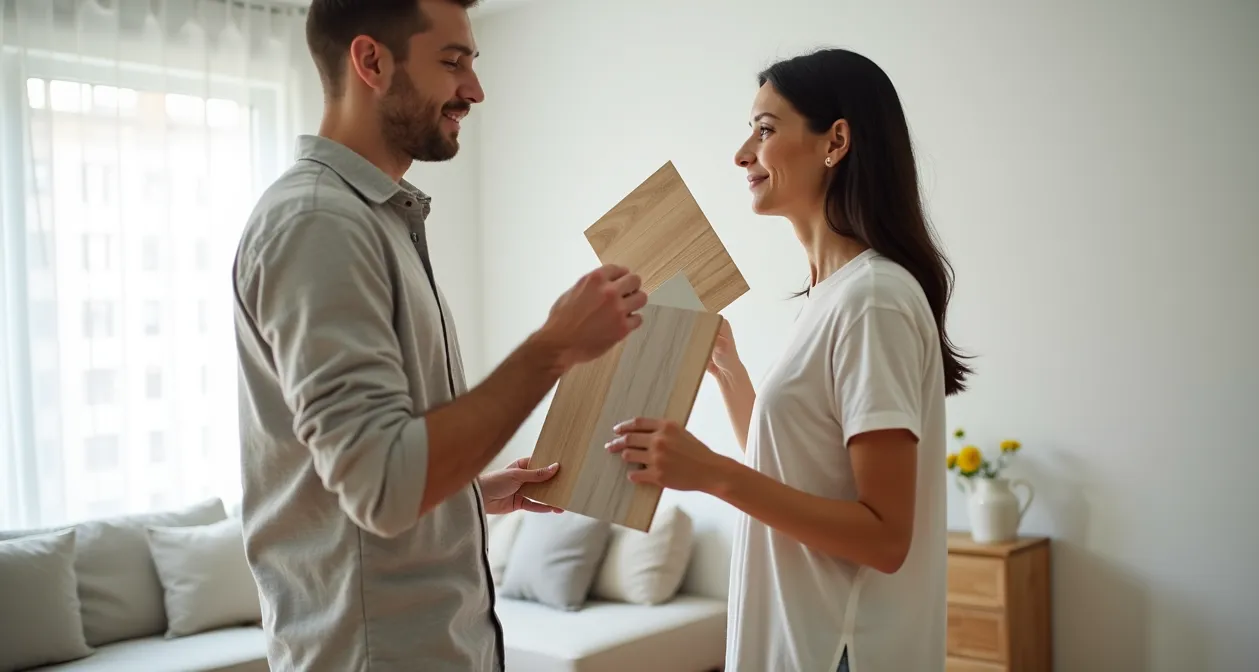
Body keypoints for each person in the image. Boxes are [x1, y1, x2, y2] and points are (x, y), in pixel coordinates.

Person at [230, 0, 647, 670]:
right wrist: (555, 348)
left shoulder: (377, 221)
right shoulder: (319, 224)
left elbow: (360, 487)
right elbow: (384, 489)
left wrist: (471, 496)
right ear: (370, 61)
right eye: (454, 64)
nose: (475, 91)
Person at [606, 48, 972, 672]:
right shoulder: (834, 296)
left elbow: (884, 537)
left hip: (839, 648)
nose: (742, 153)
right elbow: (797, 474)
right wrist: (731, 374)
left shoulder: (873, 299)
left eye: (766, 130)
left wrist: (713, 473)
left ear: (836, 141)